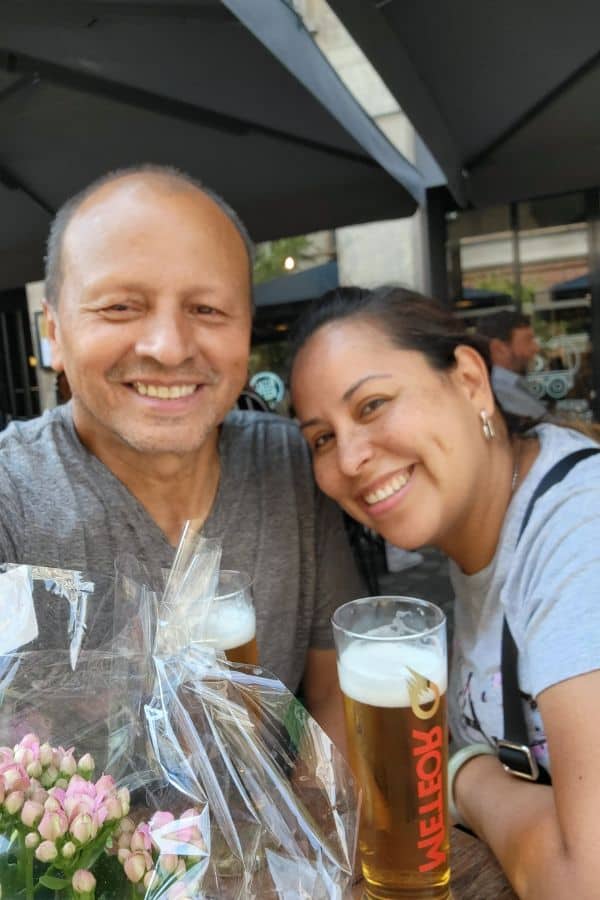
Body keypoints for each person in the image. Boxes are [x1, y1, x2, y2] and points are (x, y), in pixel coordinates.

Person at [0, 165, 364, 747]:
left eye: (207, 310)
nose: (168, 348)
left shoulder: (288, 464)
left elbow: (335, 694)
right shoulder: (11, 497)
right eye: (120, 307)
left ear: (246, 330)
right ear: (54, 334)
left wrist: (308, 827)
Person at [289, 285, 600, 899]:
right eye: (321, 438)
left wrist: (464, 781)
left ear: (469, 380)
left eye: (373, 404)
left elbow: (585, 881)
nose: (349, 458)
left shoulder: (579, 531)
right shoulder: (483, 543)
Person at [476, 309, 547, 418]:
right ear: (499, 348)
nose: (536, 348)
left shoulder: (509, 387)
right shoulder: (499, 394)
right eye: (528, 340)